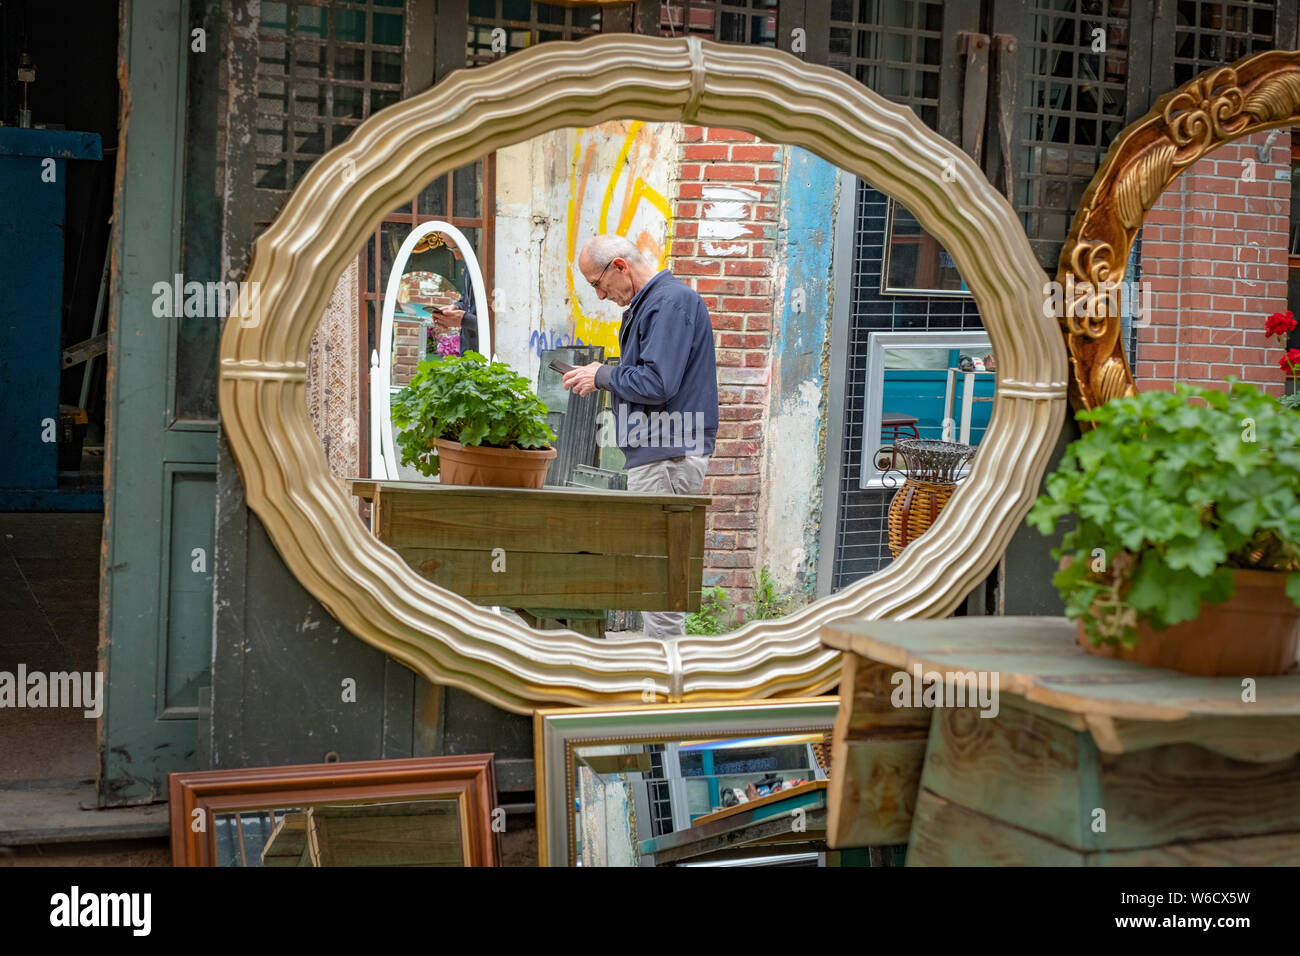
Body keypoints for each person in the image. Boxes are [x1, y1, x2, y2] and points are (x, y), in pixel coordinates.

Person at [563, 234, 719, 640]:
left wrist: (602, 375)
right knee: (658, 578)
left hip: (667, 454)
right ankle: (664, 677)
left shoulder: (668, 302)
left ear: (620, 266)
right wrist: (603, 376)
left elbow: (657, 382)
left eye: (597, 284)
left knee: (659, 579)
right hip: (661, 452)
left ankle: (665, 685)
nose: (599, 295)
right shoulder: (657, 303)